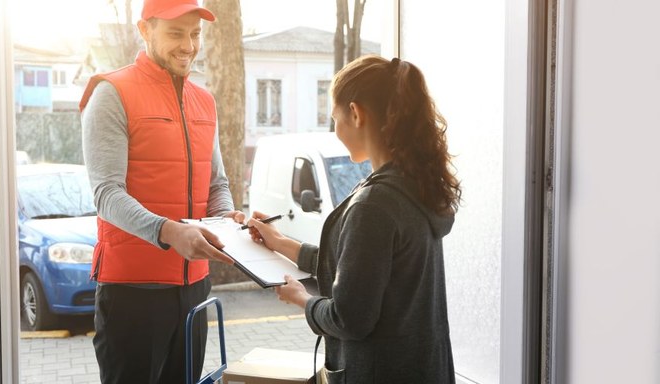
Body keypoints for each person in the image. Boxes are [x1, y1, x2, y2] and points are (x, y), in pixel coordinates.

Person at [247, 55, 462, 383]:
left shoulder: (374, 205)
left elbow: (350, 319)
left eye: (335, 118)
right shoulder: (415, 187)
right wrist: (278, 242)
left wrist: (303, 300)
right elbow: (361, 269)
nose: (335, 130)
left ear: (356, 113)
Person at [79, 0, 244, 382]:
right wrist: (171, 232)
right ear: (144, 30)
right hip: (133, 293)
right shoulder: (112, 92)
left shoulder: (204, 101)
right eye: (175, 33)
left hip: (194, 289)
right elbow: (106, 193)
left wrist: (227, 217)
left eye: (195, 33)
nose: (188, 45)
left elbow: (216, 183)